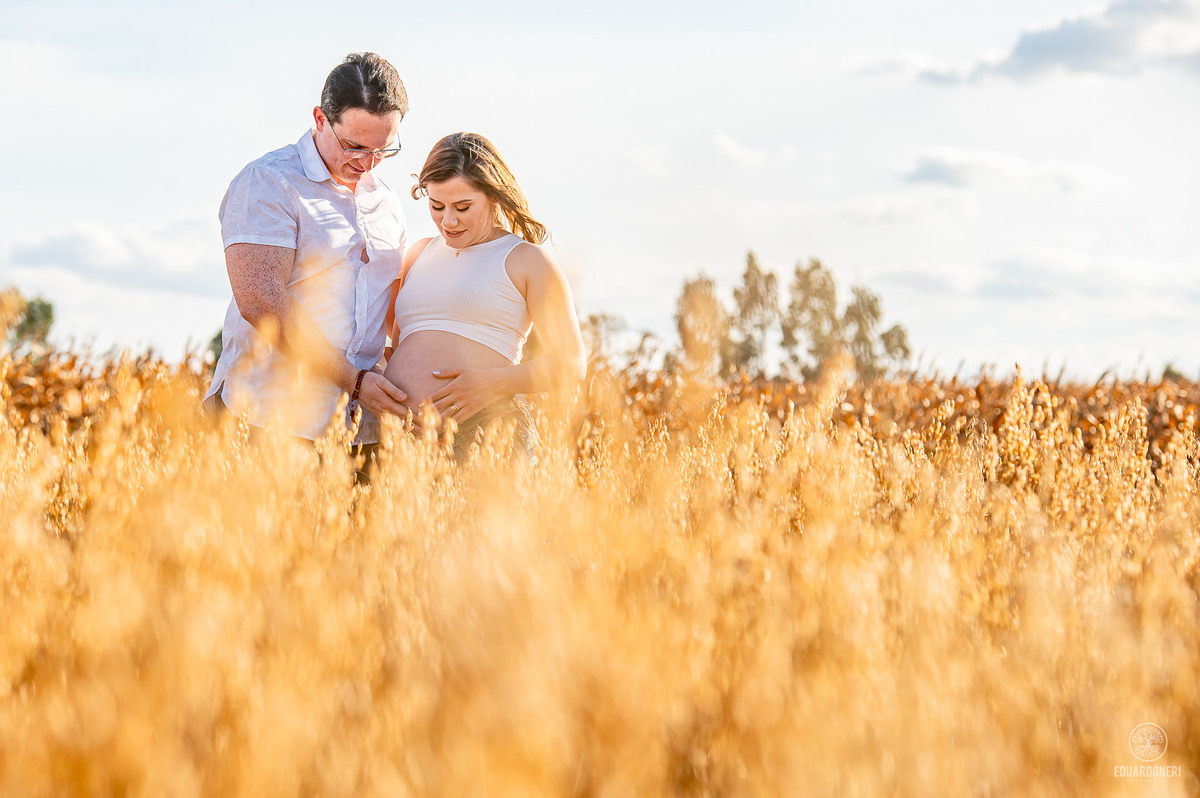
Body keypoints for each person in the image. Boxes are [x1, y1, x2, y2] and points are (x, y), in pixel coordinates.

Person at [204, 52, 410, 451]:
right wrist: (355, 382)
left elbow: (390, 312)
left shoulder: (387, 202)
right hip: (267, 419)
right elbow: (262, 301)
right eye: (354, 146)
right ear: (320, 119)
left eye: (383, 150)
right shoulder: (268, 182)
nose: (367, 163)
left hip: (359, 434)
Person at [384, 132, 587, 460]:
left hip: (488, 430)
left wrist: (490, 384)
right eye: (436, 206)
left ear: (493, 197)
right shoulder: (417, 254)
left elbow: (572, 363)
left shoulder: (526, 260)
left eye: (462, 207)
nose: (447, 221)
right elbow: (396, 349)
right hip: (407, 440)